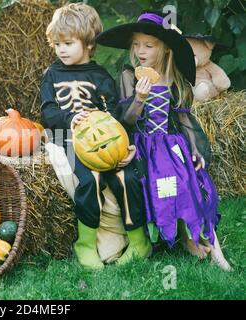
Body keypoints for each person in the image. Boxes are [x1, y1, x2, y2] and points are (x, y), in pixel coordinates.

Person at [96, 10, 232, 271]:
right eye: (136, 44)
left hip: (171, 147)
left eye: (149, 45)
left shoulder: (175, 80)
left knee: (190, 180)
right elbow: (126, 122)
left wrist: (195, 151)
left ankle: (210, 246)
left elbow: (184, 122)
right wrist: (139, 99)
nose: (140, 50)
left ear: (166, 49)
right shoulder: (128, 76)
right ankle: (175, 236)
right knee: (164, 183)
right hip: (141, 146)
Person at [40, 3, 152, 270]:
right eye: (57, 44)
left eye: (68, 43)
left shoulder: (100, 76)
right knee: (89, 180)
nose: (61, 49)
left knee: (130, 177)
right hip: (68, 139)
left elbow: (112, 114)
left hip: (103, 139)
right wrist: (69, 119)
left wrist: (121, 147)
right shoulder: (52, 75)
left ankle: (139, 243)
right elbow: (48, 112)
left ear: (89, 43)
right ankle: (86, 244)